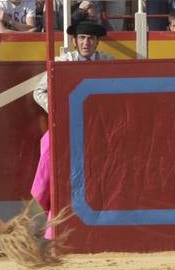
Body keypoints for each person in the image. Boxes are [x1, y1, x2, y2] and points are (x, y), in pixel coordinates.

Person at [30, 19, 113, 234]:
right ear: (75, 41)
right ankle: (45, 214)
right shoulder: (62, 61)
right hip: (67, 126)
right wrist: (60, 111)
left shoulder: (107, 62)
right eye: (83, 38)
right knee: (49, 154)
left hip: (97, 127)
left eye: (91, 39)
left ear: (97, 42)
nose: (87, 43)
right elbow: (39, 92)